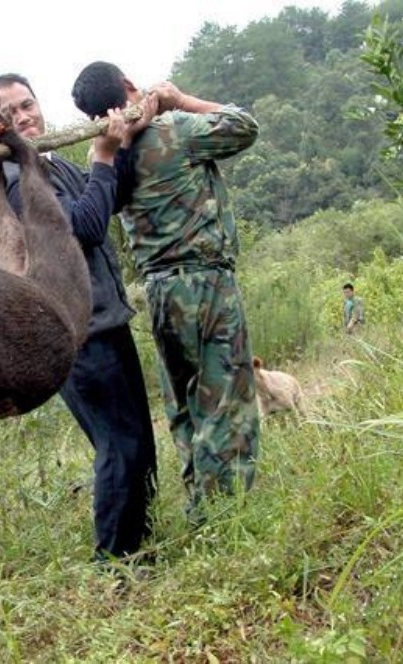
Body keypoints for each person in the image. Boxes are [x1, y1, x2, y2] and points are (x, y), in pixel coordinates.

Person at [0, 73, 158, 565]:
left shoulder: (49, 166)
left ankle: (143, 548)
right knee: (120, 446)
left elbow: (108, 199)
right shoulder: (18, 182)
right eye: (10, 113)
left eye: (27, 104)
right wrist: (100, 158)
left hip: (106, 322)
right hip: (81, 336)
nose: (24, 117)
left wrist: (120, 144)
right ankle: (115, 565)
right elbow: (84, 229)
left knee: (135, 442)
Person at [71, 61, 260, 525]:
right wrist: (179, 99)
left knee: (185, 404)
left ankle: (200, 499)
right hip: (206, 281)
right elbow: (244, 126)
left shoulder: (110, 158)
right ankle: (222, 518)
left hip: (157, 291)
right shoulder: (175, 130)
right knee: (224, 403)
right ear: (130, 88)